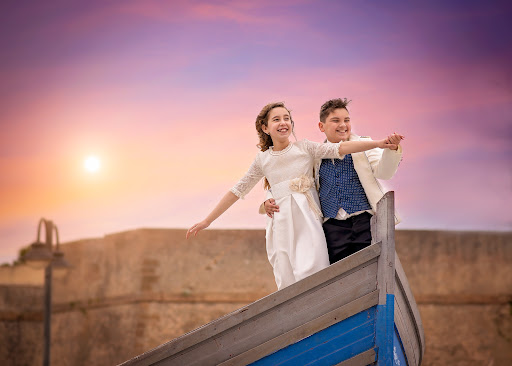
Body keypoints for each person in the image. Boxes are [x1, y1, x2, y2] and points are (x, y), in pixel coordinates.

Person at [187, 102, 401, 290]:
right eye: (276, 119)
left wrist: (379, 143)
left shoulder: (305, 148)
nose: (283, 123)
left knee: (315, 269)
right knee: (287, 274)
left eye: (287, 118)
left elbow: (341, 147)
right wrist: (207, 220)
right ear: (265, 127)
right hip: (281, 224)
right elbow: (238, 190)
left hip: (308, 219)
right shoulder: (262, 160)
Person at [264, 98, 403, 264]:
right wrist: (269, 198)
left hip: (365, 223)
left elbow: (385, 172)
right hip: (332, 228)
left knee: (371, 270)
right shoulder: (314, 155)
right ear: (321, 126)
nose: (343, 125)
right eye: (336, 120)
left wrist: (391, 150)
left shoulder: (364, 144)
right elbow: (289, 177)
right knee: (338, 277)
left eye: (347, 120)